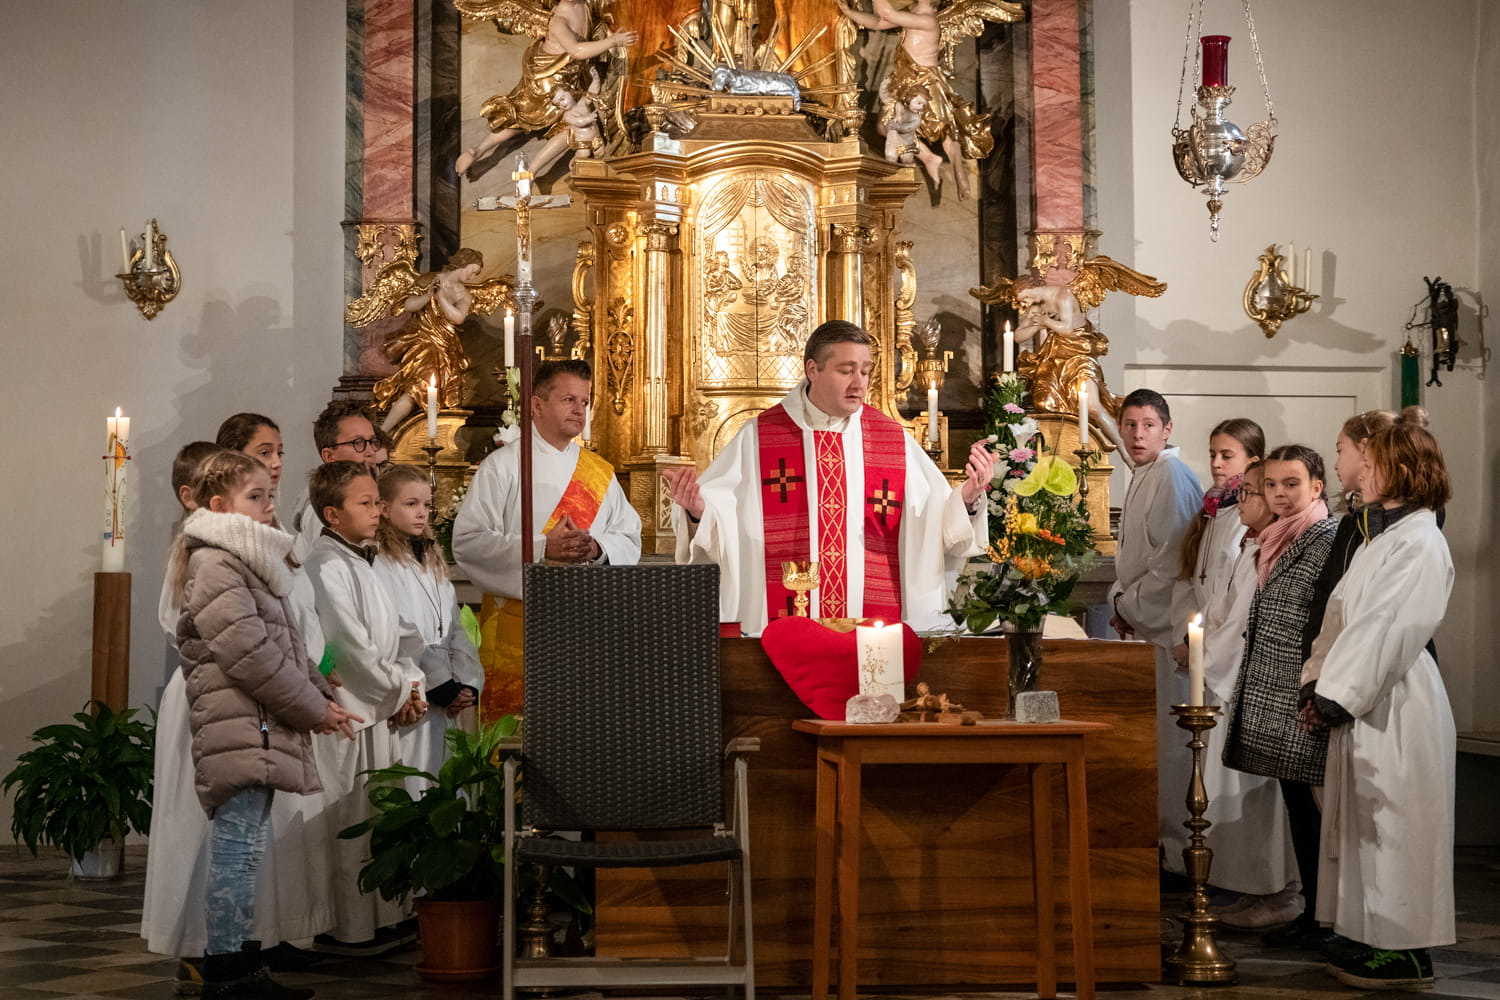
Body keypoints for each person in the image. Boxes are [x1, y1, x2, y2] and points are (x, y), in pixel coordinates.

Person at [663, 321, 994, 635]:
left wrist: (966, 498)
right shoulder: (760, 437)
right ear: (812, 370)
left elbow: (933, 521)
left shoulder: (891, 440)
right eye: (846, 370)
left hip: (874, 626)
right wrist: (698, 513)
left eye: (865, 371)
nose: (859, 383)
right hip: (782, 622)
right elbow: (722, 523)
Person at [170, 452, 359, 999]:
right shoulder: (215, 563)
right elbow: (248, 654)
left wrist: (322, 695)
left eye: (268, 496)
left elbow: (286, 644)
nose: (268, 507)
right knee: (237, 848)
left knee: (247, 846)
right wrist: (312, 708)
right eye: (255, 497)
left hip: (256, 722)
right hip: (239, 722)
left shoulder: (249, 561)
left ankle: (238, 964)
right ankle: (226, 971)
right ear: (218, 505)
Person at [1303, 420, 1455, 990]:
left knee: (1396, 825)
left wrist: (1335, 696)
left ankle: (1406, 949)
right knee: (1365, 820)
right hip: (1365, 694)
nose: (1358, 471)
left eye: (1369, 462)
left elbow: (1387, 628)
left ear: (1399, 469)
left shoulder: (1420, 540)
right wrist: (1316, 682)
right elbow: (1340, 614)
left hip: (1396, 699)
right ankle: (1368, 933)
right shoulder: (1381, 538)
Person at [217, 413, 341, 968]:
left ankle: (272, 936)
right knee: (240, 839)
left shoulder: (273, 537)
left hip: (282, 694)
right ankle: (230, 958)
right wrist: (307, 694)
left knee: (275, 830)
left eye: (279, 452)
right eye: (263, 452)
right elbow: (246, 642)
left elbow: (296, 619)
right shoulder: (217, 550)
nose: (276, 464)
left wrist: (317, 675)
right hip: (245, 702)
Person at [453, 359, 641, 720]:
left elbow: (629, 536)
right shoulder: (504, 465)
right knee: (518, 734)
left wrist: (598, 548)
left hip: (585, 624)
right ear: (536, 405)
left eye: (584, 401)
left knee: (580, 724)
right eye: (569, 399)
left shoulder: (599, 471)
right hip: (519, 623)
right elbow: (469, 542)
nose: (579, 410)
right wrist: (542, 549)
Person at [305, 461, 427, 953]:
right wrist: (398, 693)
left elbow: (401, 633)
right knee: (349, 821)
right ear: (332, 514)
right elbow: (348, 647)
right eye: (366, 503)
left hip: (379, 708)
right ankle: (351, 926)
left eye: (378, 501)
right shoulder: (325, 564)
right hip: (349, 714)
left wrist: (410, 684)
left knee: (379, 819)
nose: (377, 511)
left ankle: (385, 916)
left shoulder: (362, 559)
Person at [1221, 444, 1338, 950]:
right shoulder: (1277, 538)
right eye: (1271, 485)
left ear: (1317, 487)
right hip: (1278, 693)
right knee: (1298, 807)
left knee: (1316, 812)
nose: (1280, 495)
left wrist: (1316, 690)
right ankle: (1313, 913)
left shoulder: (1326, 538)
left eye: (1292, 484)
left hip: (1303, 693)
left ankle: (1325, 917)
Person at [1191, 460, 1301, 927]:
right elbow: (1222, 609)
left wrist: (1203, 655)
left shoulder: (1271, 551)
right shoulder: (1249, 545)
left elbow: (1243, 622)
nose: (1242, 500)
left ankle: (1278, 891)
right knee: (1235, 796)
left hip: (1246, 682)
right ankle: (1250, 886)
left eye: (1252, 492)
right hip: (1225, 675)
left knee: (1259, 798)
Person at [1105, 389, 1202, 866]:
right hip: (1150, 624)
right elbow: (1134, 560)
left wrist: (1127, 604)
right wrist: (1120, 599)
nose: (1137, 434)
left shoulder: (1170, 474)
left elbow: (1173, 563)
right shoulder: (1145, 473)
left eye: (1148, 425)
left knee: (1175, 744)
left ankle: (1182, 850)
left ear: (1167, 429)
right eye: (1129, 425)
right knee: (1159, 741)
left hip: (1170, 630)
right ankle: (1165, 846)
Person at [143, 441, 224, 992]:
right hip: (206, 693)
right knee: (195, 826)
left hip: (232, 693)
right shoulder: (193, 549)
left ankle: (232, 943)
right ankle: (195, 942)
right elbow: (182, 623)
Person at [373, 465, 483, 793]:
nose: (422, 513)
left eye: (426, 505)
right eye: (411, 504)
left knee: (446, 787)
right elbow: (400, 630)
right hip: (415, 694)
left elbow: (454, 626)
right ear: (384, 508)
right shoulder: (379, 562)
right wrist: (440, 684)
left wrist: (467, 682)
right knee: (413, 784)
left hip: (446, 695)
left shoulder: (431, 558)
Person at [291, 401, 384, 562]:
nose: (370, 451)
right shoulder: (320, 512)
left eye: (372, 441)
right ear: (329, 456)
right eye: (358, 442)